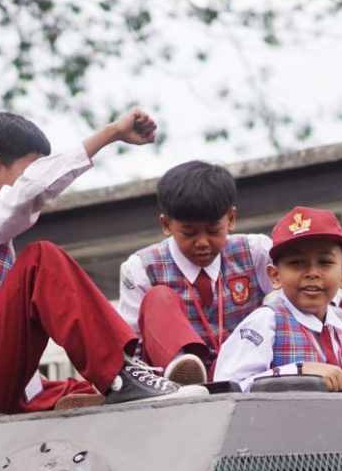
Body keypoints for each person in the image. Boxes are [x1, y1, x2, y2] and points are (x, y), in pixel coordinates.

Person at [0, 108, 200, 420]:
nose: (38, 184)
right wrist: (112, 133)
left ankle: (140, 384)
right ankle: (120, 373)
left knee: (79, 392)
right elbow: (27, 194)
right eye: (32, 171)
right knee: (41, 261)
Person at [116, 161, 274, 384]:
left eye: (213, 231)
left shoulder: (256, 252)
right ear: (166, 225)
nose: (202, 243)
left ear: (231, 219)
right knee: (159, 298)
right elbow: (131, 347)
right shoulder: (141, 268)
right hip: (171, 384)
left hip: (243, 373)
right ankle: (183, 370)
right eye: (188, 233)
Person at [213, 206, 342, 393]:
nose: (312, 273)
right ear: (274, 276)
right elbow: (227, 388)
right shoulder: (266, 323)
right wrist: (297, 372)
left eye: (325, 262)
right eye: (296, 263)